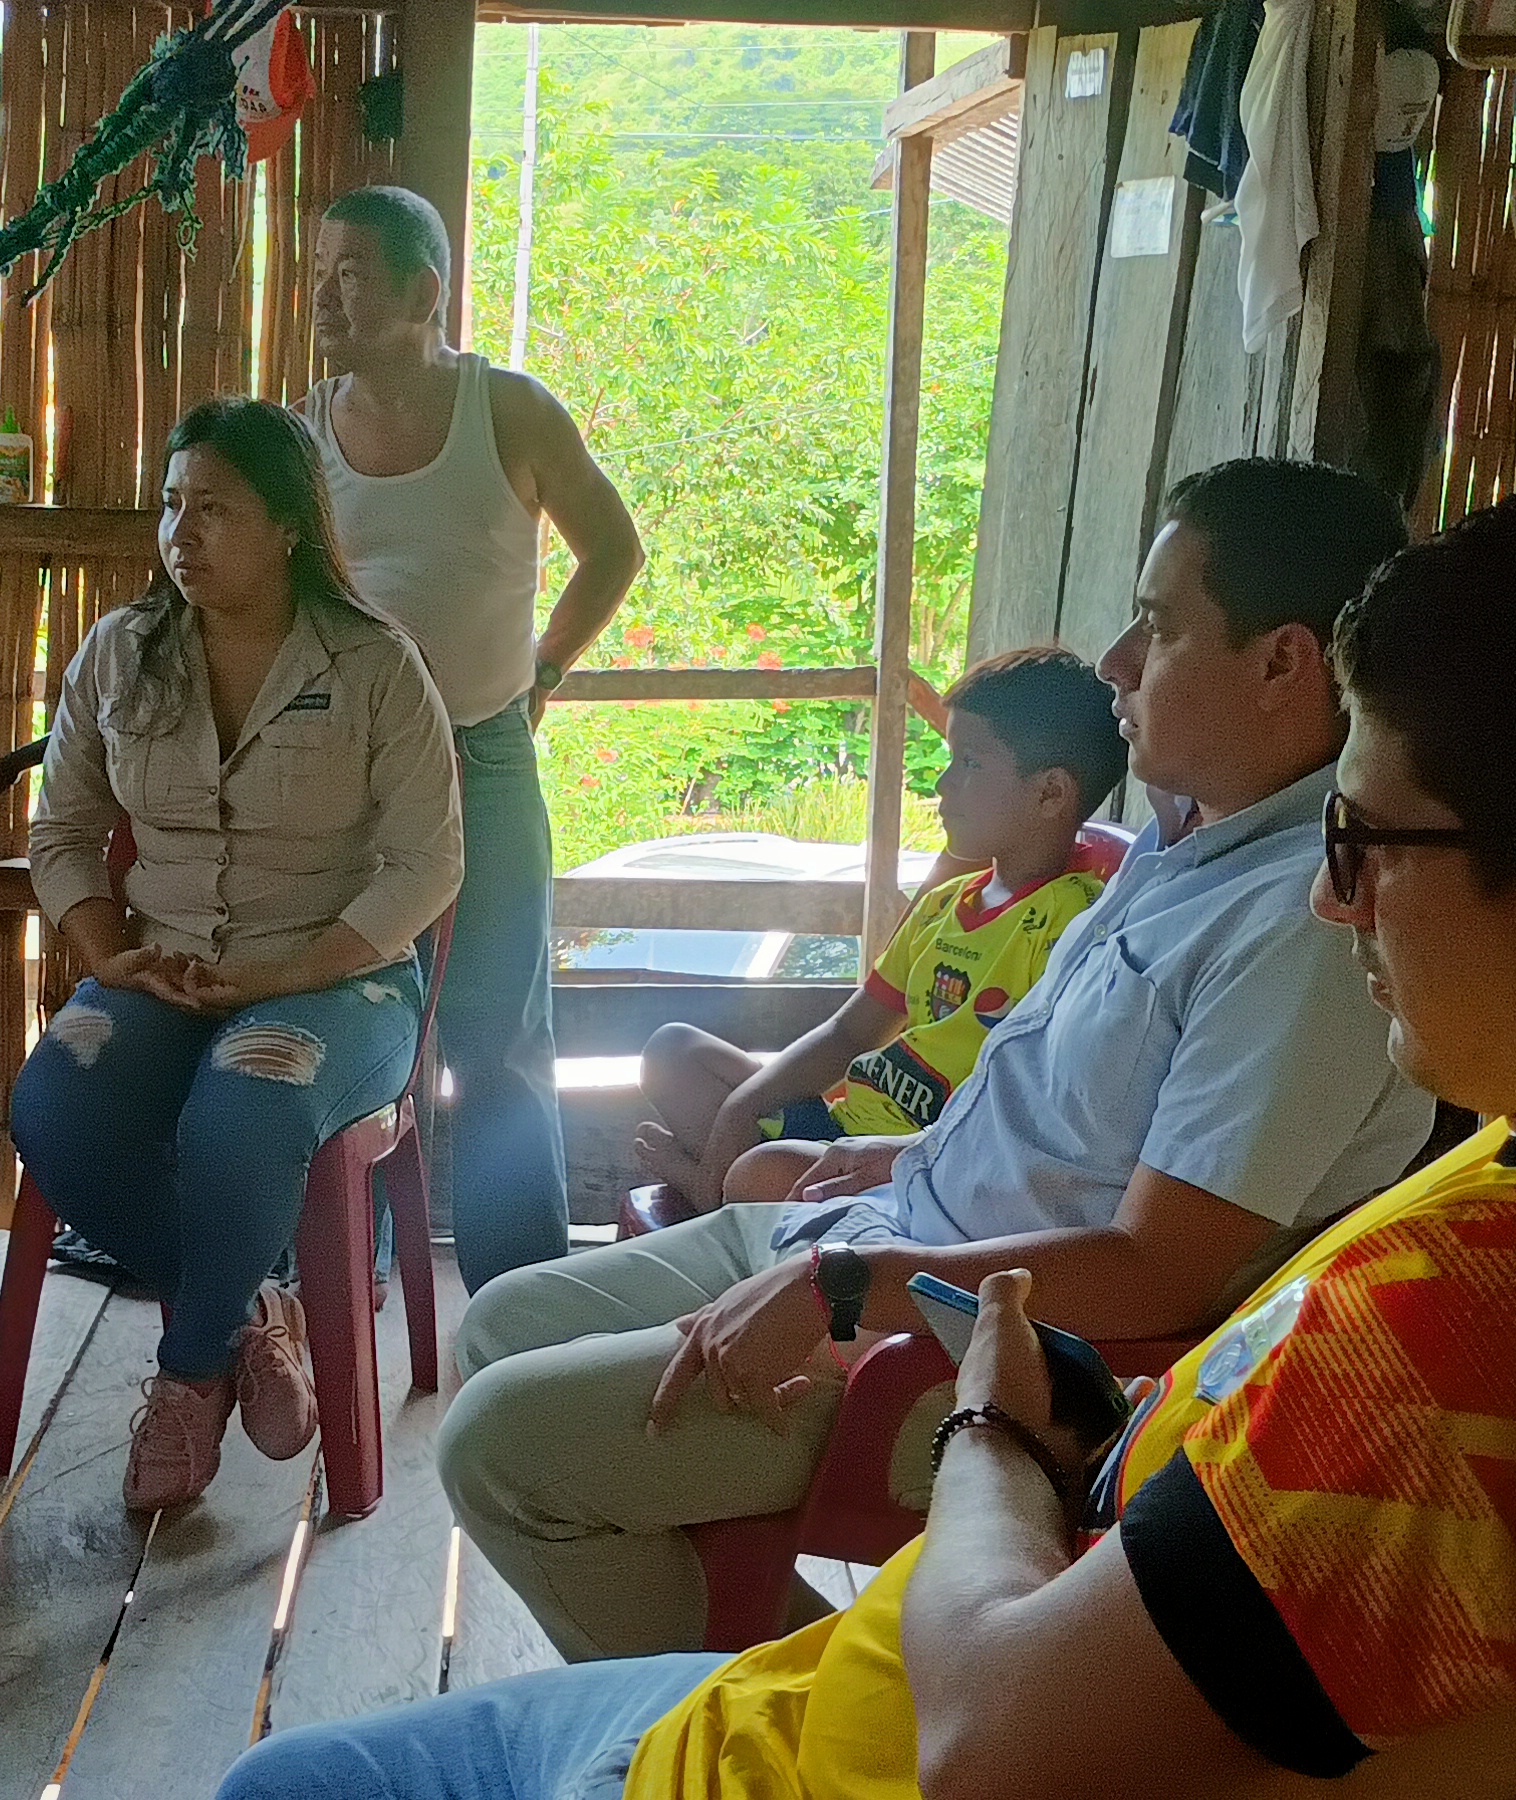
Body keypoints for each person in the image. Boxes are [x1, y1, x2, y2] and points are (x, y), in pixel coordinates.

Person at [218, 474, 1516, 1800]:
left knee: (280, 1783)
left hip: (820, 1749)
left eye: (1367, 844)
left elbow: (991, 1743)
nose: (1341, 902)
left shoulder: (1483, 1353)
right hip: (903, 1620)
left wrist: (998, 1434)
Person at [440, 459, 1438, 1662]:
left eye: (1159, 626)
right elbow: (1071, 1115)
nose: (1116, 661)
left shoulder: (1299, 926)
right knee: (501, 1328)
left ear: (1282, 663)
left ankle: (795, 1727)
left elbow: (1160, 1276)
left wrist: (849, 1288)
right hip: (892, 1227)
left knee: (502, 1449)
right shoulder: (1183, 847)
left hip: (973, 1358)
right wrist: (900, 1153)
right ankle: (793, 1700)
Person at [7, 399, 464, 1514]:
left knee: (245, 1107)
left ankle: (186, 1375)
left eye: (213, 509)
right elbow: (60, 833)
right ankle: (252, 1317)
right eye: (172, 506)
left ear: (289, 524)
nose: (182, 534)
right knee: (55, 1106)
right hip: (163, 972)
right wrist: (107, 956)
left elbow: (428, 864)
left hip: (339, 987)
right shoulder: (122, 654)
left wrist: (290, 974)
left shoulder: (375, 665)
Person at [301, 185, 645, 1293]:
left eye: (352, 273)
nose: (325, 295)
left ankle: (519, 1300)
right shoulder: (304, 433)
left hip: (483, 757)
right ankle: (340, 1285)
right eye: (320, 271)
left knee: (498, 1040)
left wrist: (544, 668)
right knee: (353, 1022)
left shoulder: (510, 412)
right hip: (347, 772)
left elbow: (613, 550)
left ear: (424, 291)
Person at [628, 647, 1126, 1210]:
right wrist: (743, 1107)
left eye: (969, 763)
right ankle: (728, 1190)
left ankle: (713, 1189)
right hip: (841, 1126)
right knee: (673, 1053)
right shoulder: (943, 904)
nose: (942, 784)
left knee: (761, 1172)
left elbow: (1034, 1104)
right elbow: (848, 1034)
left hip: (915, 1165)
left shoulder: (1074, 925)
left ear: (1050, 793)